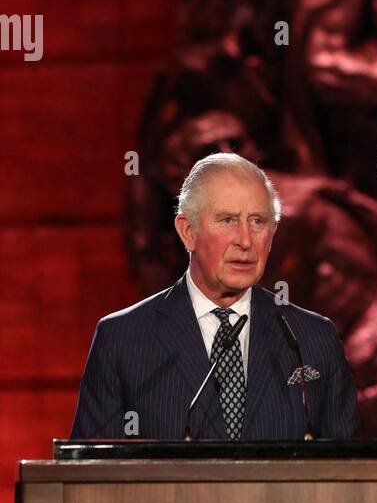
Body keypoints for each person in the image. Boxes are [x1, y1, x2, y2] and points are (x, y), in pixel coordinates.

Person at [70, 153, 360, 441]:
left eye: (258, 222)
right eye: (228, 220)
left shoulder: (311, 339)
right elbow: (91, 478)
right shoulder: (123, 339)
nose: (245, 241)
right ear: (188, 232)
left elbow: (348, 475)